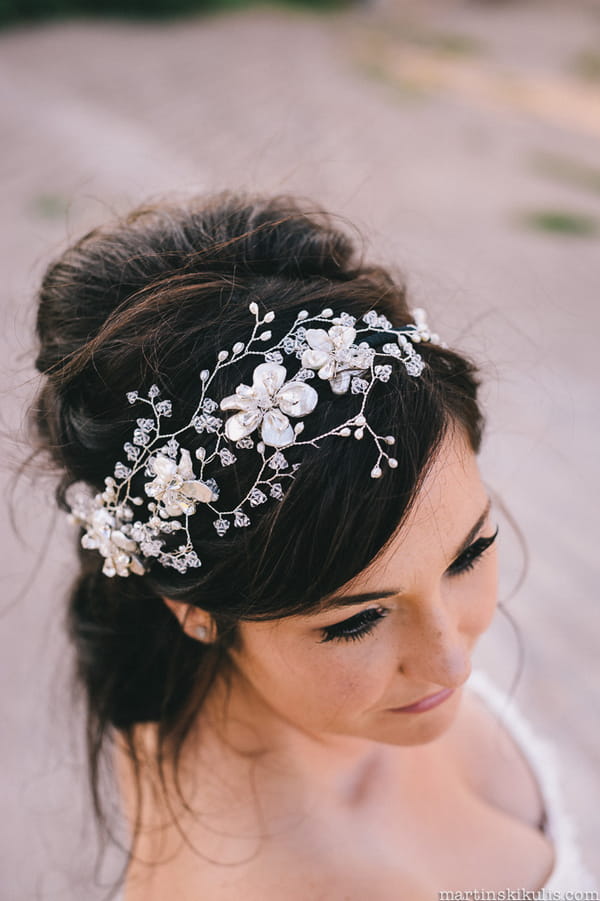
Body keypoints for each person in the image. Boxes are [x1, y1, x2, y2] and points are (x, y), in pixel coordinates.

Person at [29, 192, 597, 900]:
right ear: (191, 606)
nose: (452, 657)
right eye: (355, 619)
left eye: (469, 554)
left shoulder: (169, 684)